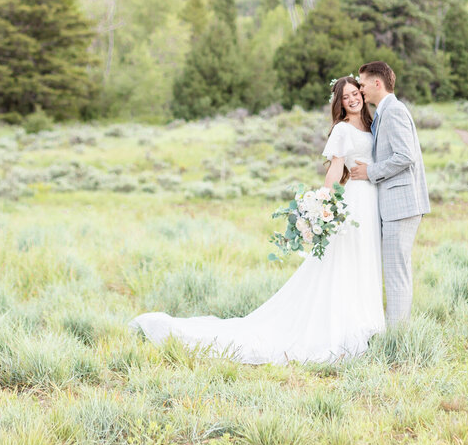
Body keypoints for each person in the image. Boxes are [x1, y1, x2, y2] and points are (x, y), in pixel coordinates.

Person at [130, 76, 383, 364]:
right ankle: (348, 324)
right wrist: (324, 204)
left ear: (362, 93)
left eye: (355, 93)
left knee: (365, 257)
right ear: (340, 103)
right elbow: (336, 169)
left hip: (371, 199)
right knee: (346, 260)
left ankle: (367, 318)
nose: (352, 99)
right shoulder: (342, 129)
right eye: (346, 96)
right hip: (353, 201)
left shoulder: (371, 124)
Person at [349, 61, 430, 327]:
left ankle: (397, 335)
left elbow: (405, 156)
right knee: (396, 271)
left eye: (362, 84)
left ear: (377, 83)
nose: (360, 89)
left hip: (401, 205)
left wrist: (370, 172)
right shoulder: (384, 112)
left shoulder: (394, 111)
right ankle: (396, 330)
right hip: (395, 204)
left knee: (396, 273)